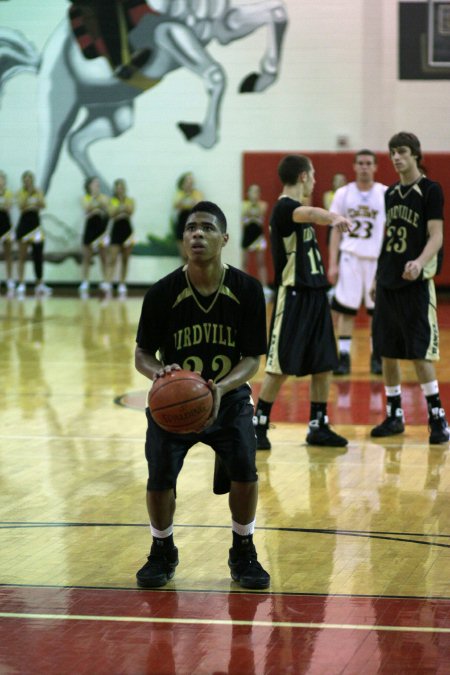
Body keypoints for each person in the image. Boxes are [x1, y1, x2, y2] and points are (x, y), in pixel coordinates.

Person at [134, 200, 270, 589]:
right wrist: (157, 372)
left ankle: (242, 549)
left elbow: (251, 358)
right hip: (174, 403)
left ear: (224, 238)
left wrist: (221, 388)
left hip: (227, 398)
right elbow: (142, 354)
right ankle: (162, 549)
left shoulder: (246, 289)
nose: (198, 233)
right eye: (191, 228)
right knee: (159, 473)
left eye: (208, 228)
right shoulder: (162, 293)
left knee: (245, 465)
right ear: (183, 239)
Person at [253, 155, 352, 451]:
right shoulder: (285, 208)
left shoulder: (298, 209)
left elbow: (308, 214)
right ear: (303, 176)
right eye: (314, 174)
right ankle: (258, 425)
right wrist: (332, 217)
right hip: (294, 295)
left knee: (324, 363)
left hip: (316, 293)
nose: (317, 180)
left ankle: (318, 426)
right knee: (280, 365)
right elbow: (308, 213)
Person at [371, 131, 449, 444]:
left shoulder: (430, 190)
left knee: (419, 352)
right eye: (392, 153)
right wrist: (378, 276)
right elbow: (389, 239)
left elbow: (437, 235)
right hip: (389, 279)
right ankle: (394, 415)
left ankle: (437, 418)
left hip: (416, 282)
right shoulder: (390, 194)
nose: (396, 158)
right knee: (387, 351)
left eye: (402, 151)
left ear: (415, 154)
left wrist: (419, 261)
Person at [328, 150, 387, 376]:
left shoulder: (384, 193)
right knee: (346, 310)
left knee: (376, 312)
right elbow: (335, 232)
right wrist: (332, 263)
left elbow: (389, 231)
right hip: (349, 258)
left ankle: (376, 355)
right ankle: (343, 357)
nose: (364, 167)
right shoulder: (343, 193)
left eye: (368, 163)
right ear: (354, 166)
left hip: (375, 259)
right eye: (360, 163)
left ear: (375, 167)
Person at [68, 0, 151, 80]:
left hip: (139, 32)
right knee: (106, 7)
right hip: (112, 47)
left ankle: (121, 62)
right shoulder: (78, 10)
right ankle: (121, 62)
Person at [15, 171, 52, 297]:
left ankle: (40, 283)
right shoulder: (20, 192)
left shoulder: (38, 191)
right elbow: (21, 205)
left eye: (30, 179)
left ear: (33, 180)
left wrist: (33, 201)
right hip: (24, 226)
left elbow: (43, 204)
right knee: (22, 256)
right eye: (25, 180)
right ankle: (21, 283)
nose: (28, 182)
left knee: (38, 256)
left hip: (36, 226)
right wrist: (30, 197)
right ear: (23, 181)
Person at [79, 176, 111, 297]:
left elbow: (106, 209)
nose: (97, 186)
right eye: (94, 184)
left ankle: (106, 281)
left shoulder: (104, 197)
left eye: (98, 184)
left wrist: (95, 208)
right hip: (89, 228)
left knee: (103, 257)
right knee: (87, 256)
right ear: (89, 186)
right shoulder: (85, 197)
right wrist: (95, 203)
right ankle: (85, 281)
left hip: (101, 228)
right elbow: (86, 208)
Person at [241, 184, 272, 300]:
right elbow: (244, 213)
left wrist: (254, 205)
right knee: (245, 262)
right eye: (252, 192)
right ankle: (244, 287)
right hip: (247, 235)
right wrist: (251, 206)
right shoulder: (243, 204)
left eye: (257, 192)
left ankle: (264, 287)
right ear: (248, 194)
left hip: (258, 236)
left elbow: (260, 213)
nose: (254, 194)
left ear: (259, 194)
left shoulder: (263, 204)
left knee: (260, 263)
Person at [108, 178, 136, 297]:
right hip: (116, 229)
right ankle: (108, 282)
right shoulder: (112, 200)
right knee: (113, 257)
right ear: (115, 189)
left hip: (127, 229)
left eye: (122, 187)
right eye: (118, 187)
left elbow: (130, 210)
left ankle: (122, 283)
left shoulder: (130, 200)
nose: (120, 189)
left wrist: (121, 209)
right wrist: (121, 208)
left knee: (125, 257)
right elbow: (111, 213)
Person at [172, 172, 203, 260]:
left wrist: (191, 195)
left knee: (193, 254)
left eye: (191, 181)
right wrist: (186, 195)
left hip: (194, 221)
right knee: (184, 255)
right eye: (187, 181)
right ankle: (184, 272)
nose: (189, 183)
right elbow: (177, 206)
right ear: (182, 183)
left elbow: (198, 205)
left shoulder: (197, 193)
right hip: (182, 221)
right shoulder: (179, 194)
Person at [0, 171, 15, 296]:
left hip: (6, 225)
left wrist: (4, 204)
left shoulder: (8, 193)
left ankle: (10, 280)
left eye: (1, 179)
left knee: (8, 254)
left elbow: (8, 206)